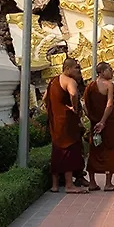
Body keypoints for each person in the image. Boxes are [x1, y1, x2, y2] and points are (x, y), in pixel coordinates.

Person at [46, 57, 87, 194]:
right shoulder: (70, 81)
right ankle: (69, 185)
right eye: (76, 68)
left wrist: (52, 110)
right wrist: (74, 107)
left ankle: (55, 185)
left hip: (55, 119)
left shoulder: (53, 81)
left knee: (57, 150)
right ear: (68, 68)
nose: (78, 70)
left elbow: (45, 97)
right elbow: (74, 93)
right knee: (69, 149)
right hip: (66, 120)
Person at [84, 62, 114, 192]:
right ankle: (108, 183)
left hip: (95, 123)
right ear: (102, 72)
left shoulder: (90, 86)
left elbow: (85, 106)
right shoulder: (109, 85)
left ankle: (92, 183)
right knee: (110, 149)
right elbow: (109, 104)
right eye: (109, 69)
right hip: (107, 122)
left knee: (94, 150)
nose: (112, 71)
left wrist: (94, 120)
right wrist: (103, 122)